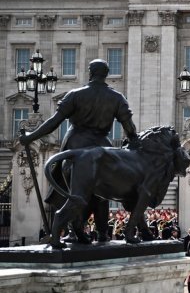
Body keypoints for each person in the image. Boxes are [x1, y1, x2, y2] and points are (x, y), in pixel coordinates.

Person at [18, 59, 140, 243]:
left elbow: (53, 122)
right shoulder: (117, 98)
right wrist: (134, 143)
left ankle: (72, 231)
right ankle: (102, 232)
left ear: (90, 73)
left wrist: (30, 137)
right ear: (106, 74)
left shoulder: (75, 94)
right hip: (102, 145)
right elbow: (129, 127)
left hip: (76, 144)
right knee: (103, 191)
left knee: (72, 189)